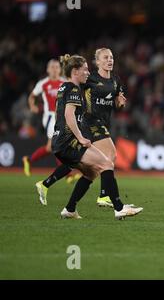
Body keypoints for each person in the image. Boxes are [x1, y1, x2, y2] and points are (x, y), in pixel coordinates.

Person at [52, 54, 142, 220]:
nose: (87, 73)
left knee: (91, 173)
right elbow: (69, 115)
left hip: (60, 141)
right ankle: (118, 207)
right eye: (84, 69)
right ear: (75, 71)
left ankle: (70, 209)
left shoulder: (66, 87)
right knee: (107, 163)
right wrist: (79, 137)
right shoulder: (73, 88)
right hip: (68, 141)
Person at [35, 48, 126, 208]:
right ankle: (104, 196)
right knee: (110, 155)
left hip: (102, 122)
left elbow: (118, 101)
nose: (110, 60)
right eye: (105, 57)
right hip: (89, 122)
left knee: (83, 166)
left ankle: (52, 190)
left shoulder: (116, 80)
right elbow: (73, 83)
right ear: (97, 62)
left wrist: (120, 102)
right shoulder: (90, 78)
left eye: (111, 57)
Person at [22, 59, 65, 176]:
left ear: (60, 69)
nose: (54, 69)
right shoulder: (43, 83)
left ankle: (29, 160)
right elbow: (32, 96)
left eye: (57, 67)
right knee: (57, 144)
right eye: (52, 67)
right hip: (51, 117)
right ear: (47, 69)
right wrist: (32, 106)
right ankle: (67, 176)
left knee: (51, 147)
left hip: (63, 117)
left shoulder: (65, 82)